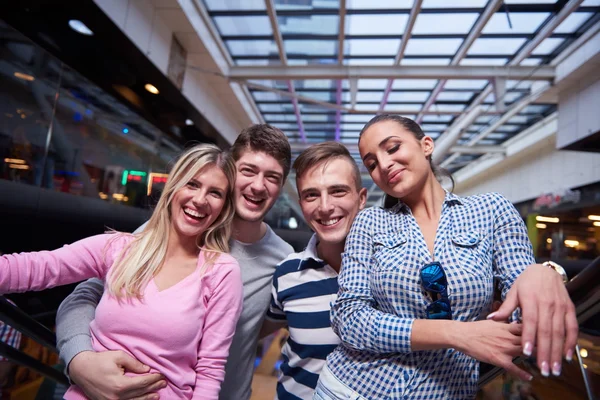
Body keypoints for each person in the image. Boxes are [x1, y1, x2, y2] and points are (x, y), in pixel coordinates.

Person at [313, 115, 579, 400]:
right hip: (348, 390)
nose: (384, 164)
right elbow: (350, 319)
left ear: (426, 145)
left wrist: (541, 272)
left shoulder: (491, 211)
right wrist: (457, 334)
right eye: (372, 164)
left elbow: (522, 319)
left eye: (392, 148)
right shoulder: (370, 222)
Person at [55, 124, 294, 400]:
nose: (257, 185)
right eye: (248, 171)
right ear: (229, 171)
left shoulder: (283, 260)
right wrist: (79, 359)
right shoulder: (176, 229)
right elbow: (85, 295)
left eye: (273, 177)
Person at [0, 144, 243, 399]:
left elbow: (210, 372)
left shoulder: (221, 272)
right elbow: (34, 268)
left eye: (215, 193)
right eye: (192, 184)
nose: (200, 199)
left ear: (223, 208)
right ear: (173, 187)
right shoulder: (118, 247)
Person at [262, 142, 367, 399]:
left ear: (361, 198)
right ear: (301, 204)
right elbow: (250, 332)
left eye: (338, 191)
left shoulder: (393, 272)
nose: (324, 206)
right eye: (311, 195)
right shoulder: (287, 274)